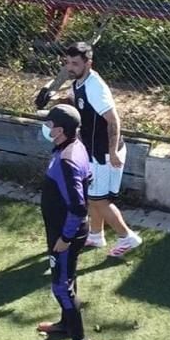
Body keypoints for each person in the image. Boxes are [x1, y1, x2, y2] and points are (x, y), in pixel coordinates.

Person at [55, 42, 142, 257]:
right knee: (92, 194)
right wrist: (55, 99)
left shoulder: (95, 86)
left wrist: (112, 152)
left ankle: (128, 237)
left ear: (88, 63)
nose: (70, 67)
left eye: (75, 63)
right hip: (93, 150)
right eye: (67, 63)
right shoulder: (78, 81)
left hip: (104, 153)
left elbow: (113, 121)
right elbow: (79, 105)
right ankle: (96, 234)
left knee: (99, 200)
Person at [39, 104, 93, 340]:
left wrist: (65, 238)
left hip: (65, 233)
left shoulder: (67, 160)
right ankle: (65, 324)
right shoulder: (72, 146)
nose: (46, 128)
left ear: (60, 130)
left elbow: (78, 206)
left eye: (49, 125)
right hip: (62, 229)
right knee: (67, 279)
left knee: (61, 286)